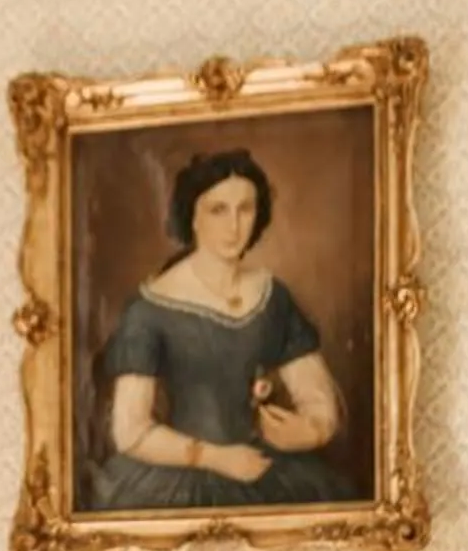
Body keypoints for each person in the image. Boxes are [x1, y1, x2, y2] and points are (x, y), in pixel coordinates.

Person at [87, 148, 350, 512]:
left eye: (245, 209)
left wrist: (309, 430)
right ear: (192, 217)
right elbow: (129, 431)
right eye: (218, 210)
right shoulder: (150, 308)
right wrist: (215, 458)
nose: (234, 226)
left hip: (265, 469)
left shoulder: (273, 297)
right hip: (178, 476)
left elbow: (319, 401)